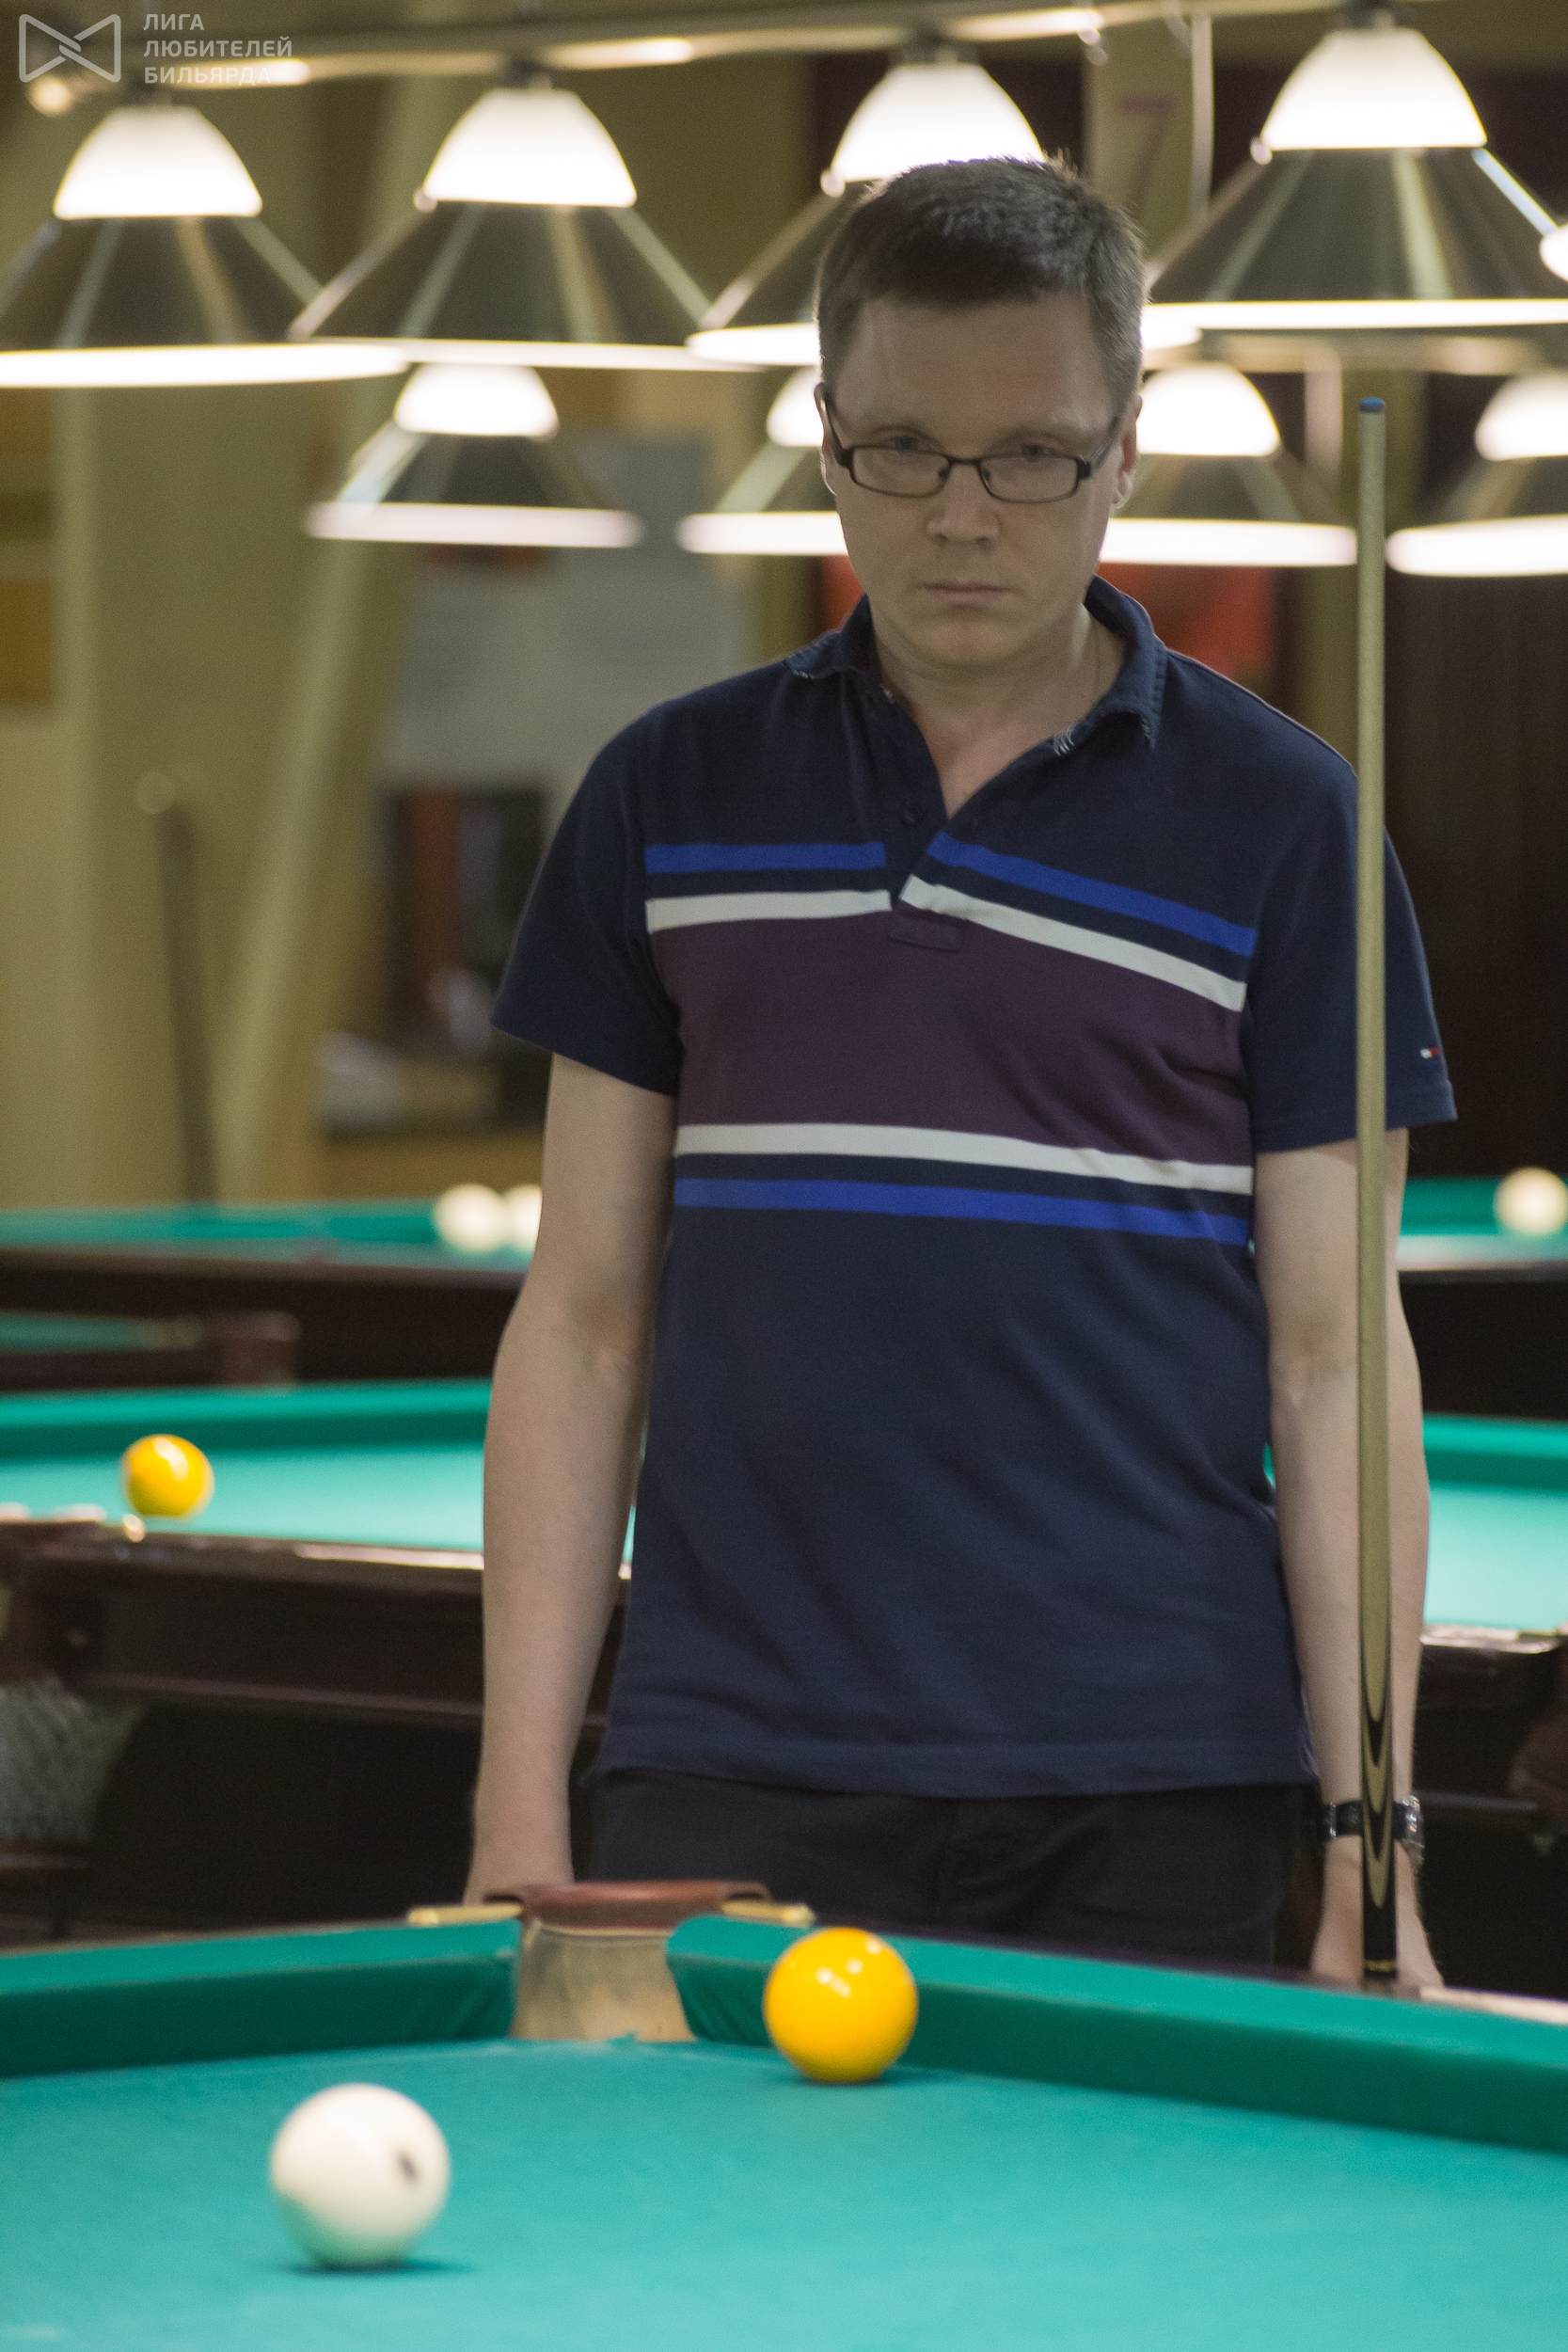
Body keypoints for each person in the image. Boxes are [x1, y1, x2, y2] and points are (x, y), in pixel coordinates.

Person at [467, 157, 1454, 1980]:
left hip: (1159, 1776)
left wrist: (1368, 1839)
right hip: (732, 1755)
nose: (963, 516)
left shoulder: (1294, 825)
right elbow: (585, 1321)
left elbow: (1335, 1364)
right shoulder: (666, 792)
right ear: (825, 437)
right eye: (906, 450)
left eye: (1034, 457)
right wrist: (516, 1810)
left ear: (1127, 450)